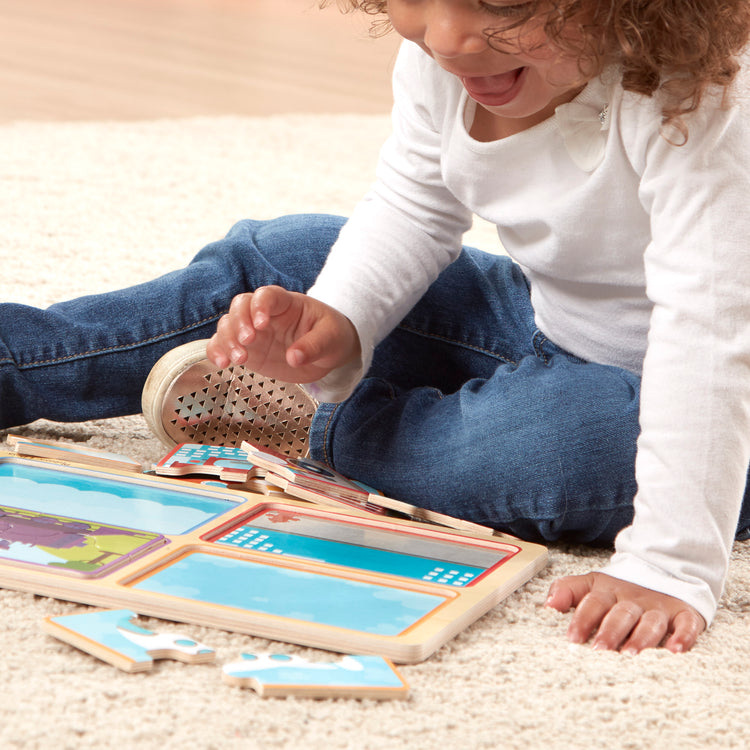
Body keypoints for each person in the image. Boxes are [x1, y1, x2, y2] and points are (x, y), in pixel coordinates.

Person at [3, 0, 750, 655]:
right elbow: (416, 205)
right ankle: (18, 362)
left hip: (714, 410)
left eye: (506, 0)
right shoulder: (443, 60)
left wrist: (671, 567)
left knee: (559, 440)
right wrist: (338, 319)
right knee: (284, 255)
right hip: (547, 323)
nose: (450, 36)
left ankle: (315, 429)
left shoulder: (702, 102)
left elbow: (708, 333)